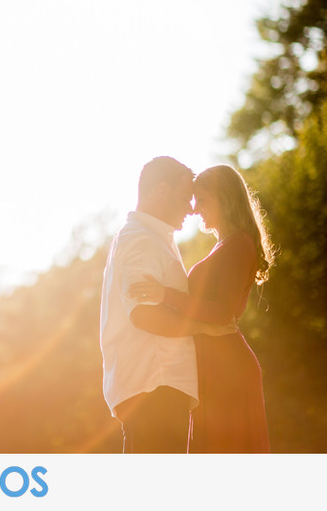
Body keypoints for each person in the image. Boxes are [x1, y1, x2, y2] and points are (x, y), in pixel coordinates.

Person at [128, 165, 273, 452]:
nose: (195, 209)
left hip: (227, 367)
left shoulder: (238, 245)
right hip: (213, 364)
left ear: (226, 200)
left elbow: (222, 313)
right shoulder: (226, 245)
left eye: (203, 200)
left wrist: (166, 294)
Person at [100, 156, 234, 453]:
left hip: (156, 387)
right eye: (186, 198)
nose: (191, 208)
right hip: (154, 386)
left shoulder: (153, 238)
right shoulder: (141, 240)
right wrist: (206, 328)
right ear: (162, 190)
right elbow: (146, 315)